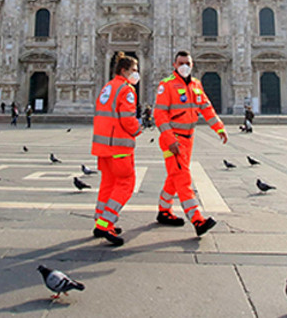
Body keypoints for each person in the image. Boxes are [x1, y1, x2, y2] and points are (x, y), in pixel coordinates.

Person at [154, 50, 227, 236]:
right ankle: (197, 220)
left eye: (187, 63)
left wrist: (218, 127)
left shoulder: (196, 84)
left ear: (192, 65)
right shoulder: (167, 85)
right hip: (174, 139)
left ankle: (164, 210)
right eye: (181, 63)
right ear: (174, 65)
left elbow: (206, 107)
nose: (184, 66)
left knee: (174, 175)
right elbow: (160, 114)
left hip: (189, 138)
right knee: (183, 178)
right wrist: (170, 139)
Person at [91, 52, 143, 246]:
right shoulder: (126, 90)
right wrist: (138, 128)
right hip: (119, 146)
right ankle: (106, 224)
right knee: (125, 184)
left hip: (103, 146)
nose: (137, 74)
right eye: (134, 70)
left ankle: (99, 221)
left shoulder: (107, 88)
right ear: (124, 70)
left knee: (108, 184)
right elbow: (128, 119)